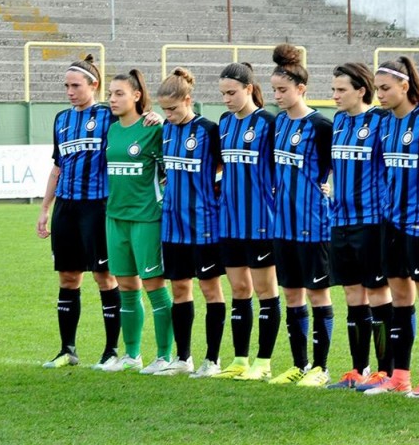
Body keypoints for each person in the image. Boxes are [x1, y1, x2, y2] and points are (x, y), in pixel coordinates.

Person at [36, 55, 130, 370]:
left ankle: (111, 351)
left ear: (94, 85)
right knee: (68, 276)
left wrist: (153, 118)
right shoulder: (61, 119)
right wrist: (45, 208)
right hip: (66, 207)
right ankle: (67, 350)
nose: (70, 92)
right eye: (66, 86)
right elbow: (58, 167)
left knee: (105, 276)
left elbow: (137, 122)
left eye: (75, 85)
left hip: (97, 206)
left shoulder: (109, 115)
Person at [363, 57, 419, 397]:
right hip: (391, 223)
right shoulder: (382, 122)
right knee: (399, 299)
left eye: (385, 88)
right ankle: (399, 376)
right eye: (377, 89)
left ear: (405, 86)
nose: (380, 95)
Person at [267, 44, 335, 387]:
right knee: (292, 294)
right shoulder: (278, 122)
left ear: (301, 89)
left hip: (313, 224)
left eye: (283, 90)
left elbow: (335, 166)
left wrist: (329, 186)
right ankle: (300, 364)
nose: (277, 96)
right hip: (283, 225)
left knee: (318, 294)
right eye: (274, 90)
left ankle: (321, 368)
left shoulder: (321, 125)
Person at [99, 69, 174, 375]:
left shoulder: (153, 129)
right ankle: (132, 355)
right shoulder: (112, 130)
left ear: (137, 96)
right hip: (115, 217)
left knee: (154, 285)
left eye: (119, 93)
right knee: (126, 286)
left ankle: (165, 356)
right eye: (110, 94)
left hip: (146, 218)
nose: (112, 99)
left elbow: (171, 170)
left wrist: (161, 119)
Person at [154, 68, 227, 377]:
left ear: (188, 100)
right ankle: (183, 358)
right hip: (173, 225)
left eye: (172, 108)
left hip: (204, 224)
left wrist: (211, 191)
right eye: (164, 110)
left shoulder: (209, 130)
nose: (168, 115)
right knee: (180, 289)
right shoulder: (166, 129)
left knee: (211, 290)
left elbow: (225, 167)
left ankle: (213, 360)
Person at [325, 63, 394, 390]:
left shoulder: (381, 121)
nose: (335, 96)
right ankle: (358, 369)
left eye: (341, 90)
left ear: (361, 91)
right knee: (353, 296)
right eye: (334, 89)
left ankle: (386, 371)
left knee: (378, 295)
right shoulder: (338, 122)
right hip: (340, 221)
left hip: (371, 222)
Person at [215, 62, 282, 381]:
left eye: (232, 93)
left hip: (261, 222)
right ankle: (240, 359)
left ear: (249, 89)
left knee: (266, 291)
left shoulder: (269, 123)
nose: (226, 99)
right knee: (239, 289)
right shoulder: (224, 122)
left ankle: (264, 361)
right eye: (222, 94)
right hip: (230, 222)